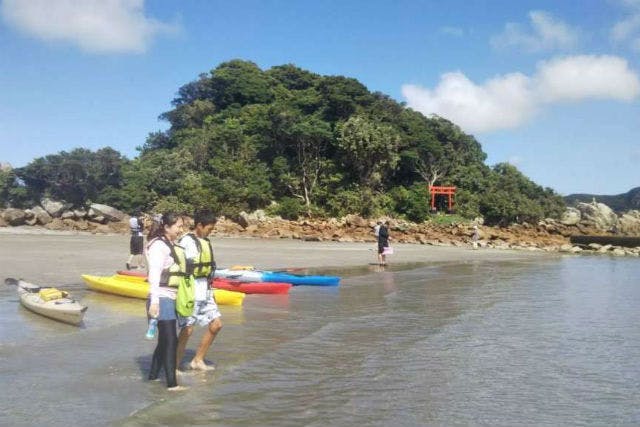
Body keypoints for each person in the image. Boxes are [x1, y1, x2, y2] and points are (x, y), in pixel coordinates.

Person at [176, 209, 222, 371]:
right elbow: (178, 266)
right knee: (187, 329)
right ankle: (174, 365)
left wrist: (212, 291)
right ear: (200, 225)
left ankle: (197, 360)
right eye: (209, 229)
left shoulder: (205, 241)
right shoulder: (186, 242)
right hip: (191, 289)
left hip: (206, 289)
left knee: (216, 324)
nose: (210, 232)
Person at [146, 212, 187, 391]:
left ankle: (153, 376)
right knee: (171, 340)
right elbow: (154, 276)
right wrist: (154, 302)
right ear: (167, 227)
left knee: (164, 341)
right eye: (178, 226)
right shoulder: (158, 247)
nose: (181, 229)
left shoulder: (171, 245)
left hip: (172, 297)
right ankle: (172, 385)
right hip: (161, 297)